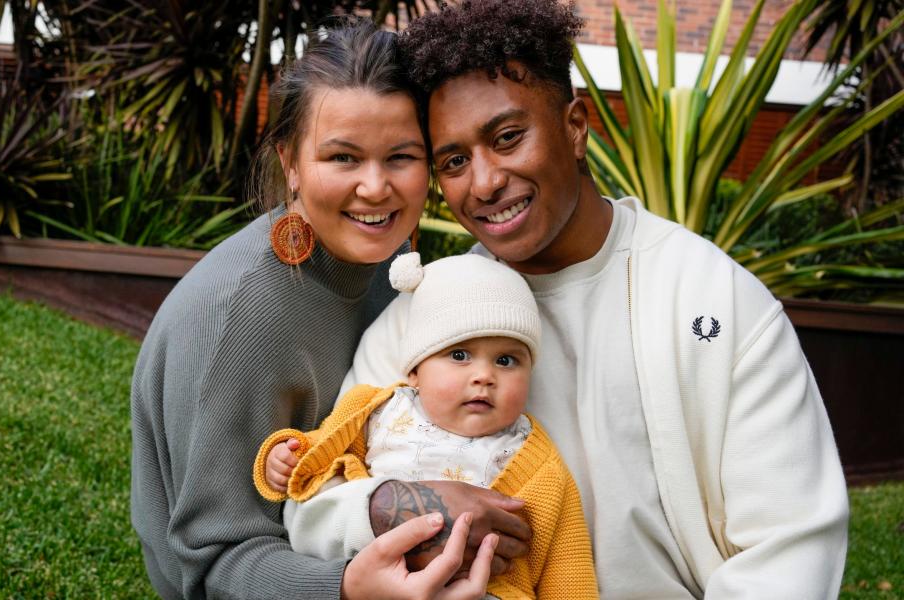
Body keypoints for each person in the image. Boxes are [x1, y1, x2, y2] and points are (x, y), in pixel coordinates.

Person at [283, 1, 851, 598]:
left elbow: (789, 552)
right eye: (454, 161)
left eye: (507, 138)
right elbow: (314, 500)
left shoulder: (714, 301)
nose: (485, 182)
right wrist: (390, 506)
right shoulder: (433, 307)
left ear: (575, 126)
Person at [130, 20, 508, 600]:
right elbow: (208, 566)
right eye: (343, 158)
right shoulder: (241, 317)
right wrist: (349, 588)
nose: (376, 188)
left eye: (402, 157)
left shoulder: (391, 259)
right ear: (292, 163)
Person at [254, 252, 599, 600]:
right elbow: (320, 455)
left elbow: (568, 566)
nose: (484, 376)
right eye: (459, 355)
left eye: (506, 360)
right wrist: (286, 455)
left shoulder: (538, 462)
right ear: (416, 371)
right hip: (378, 580)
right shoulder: (376, 410)